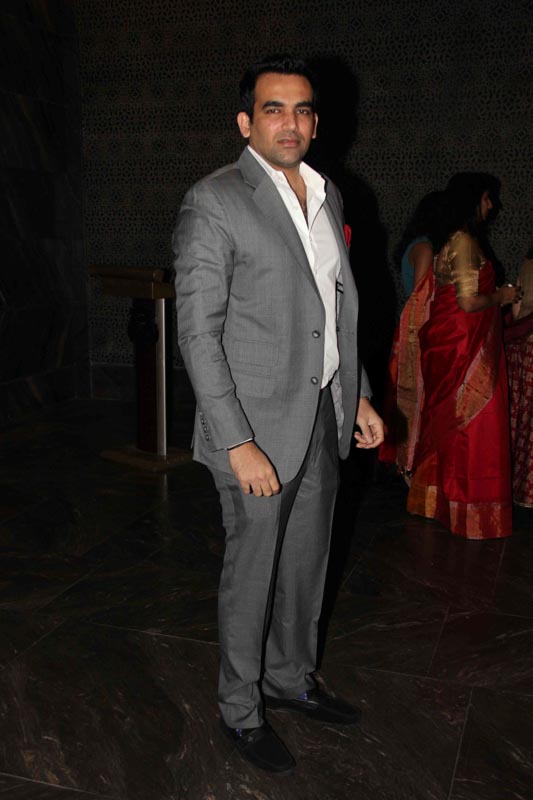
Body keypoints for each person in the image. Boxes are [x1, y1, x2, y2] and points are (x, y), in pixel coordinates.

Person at [173, 55, 384, 774]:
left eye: (301, 110)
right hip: (254, 430)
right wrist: (237, 441)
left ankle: (290, 678)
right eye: (272, 109)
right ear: (245, 121)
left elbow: (333, 309)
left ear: (315, 123)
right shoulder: (214, 200)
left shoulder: (328, 194)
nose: (289, 123)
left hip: (320, 414)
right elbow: (197, 334)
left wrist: (356, 392)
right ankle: (240, 708)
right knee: (253, 571)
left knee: (305, 563)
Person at [407, 172, 520, 539]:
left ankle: (439, 503)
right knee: (473, 426)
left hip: (460, 343)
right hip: (462, 349)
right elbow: (468, 302)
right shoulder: (464, 241)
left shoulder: (458, 240)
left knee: (454, 427)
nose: (491, 205)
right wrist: (502, 297)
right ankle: (468, 511)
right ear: (472, 200)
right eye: (487, 198)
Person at [380, 192, 447, 481]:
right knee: (414, 400)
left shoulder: (422, 244)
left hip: (414, 329)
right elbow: (422, 297)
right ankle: (409, 469)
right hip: (417, 331)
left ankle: (410, 468)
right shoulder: (424, 247)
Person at [505, 247, 533, 507]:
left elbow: (516, 312)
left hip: (524, 348)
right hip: (527, 348)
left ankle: (521, 488)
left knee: (523, 419)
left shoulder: (528, 264)